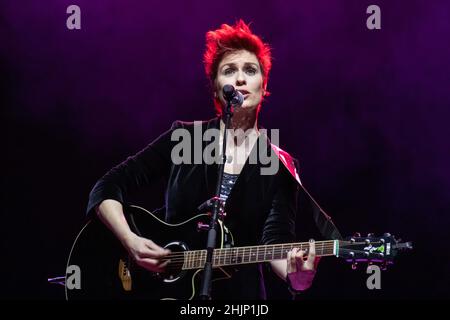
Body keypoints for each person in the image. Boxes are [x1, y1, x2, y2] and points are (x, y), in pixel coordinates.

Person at [87, 20, 320, 300]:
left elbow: (275, 240)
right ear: (215, 88)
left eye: (250, 70)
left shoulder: (280, 163)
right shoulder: (184, 138)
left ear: (264, 84)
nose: (240, 79)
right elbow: (108, 186)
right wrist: (131, 240)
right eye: (229, 71)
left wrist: (299, 278)